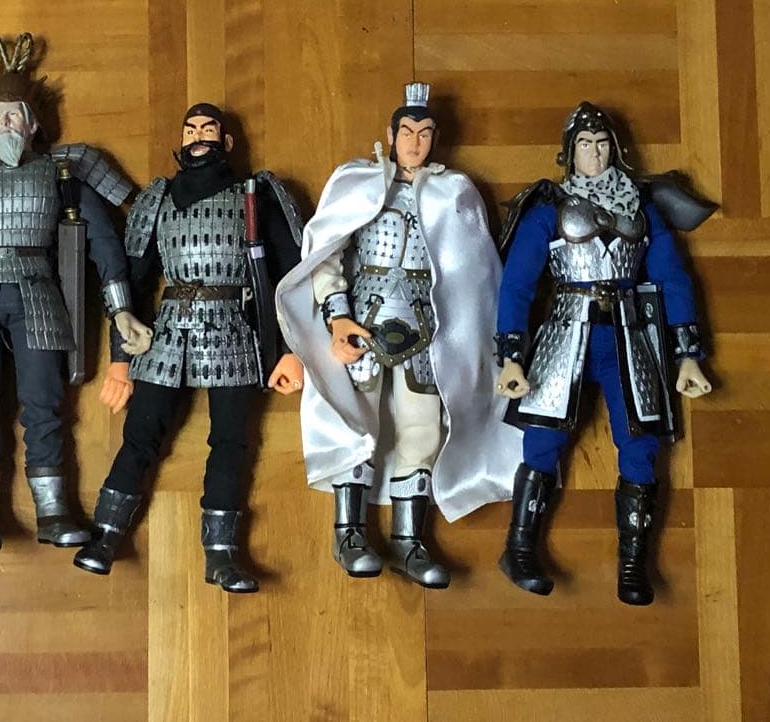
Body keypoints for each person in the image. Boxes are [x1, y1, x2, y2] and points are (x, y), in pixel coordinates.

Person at [276, 83, 521, 588]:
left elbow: (477, 274)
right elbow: (326, 254)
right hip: (361, 323)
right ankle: (349, 534)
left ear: (435, 139)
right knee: (353, 423)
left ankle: (410, 541)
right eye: (407, 131)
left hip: (426, 329)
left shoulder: (455, 192)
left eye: (424, 133)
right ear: (390, 135)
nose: (414, 142)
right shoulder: (357, 182)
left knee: (423, 431)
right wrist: (337, 317)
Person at [0, 34, 151, 554]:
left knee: (45, 405)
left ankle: (53, 510)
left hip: (40, 297)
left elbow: (103, 242)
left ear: (33, 123)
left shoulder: (62, 171)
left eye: (14, 114)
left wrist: (121, 311)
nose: (5, 123)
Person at [73, 103, 303, 594]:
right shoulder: (157, 198)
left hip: (235, 331)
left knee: (232, 442)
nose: (198, 136)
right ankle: (106, 534)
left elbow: (287, 275)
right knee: (141, 434)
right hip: (168, 329)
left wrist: (288, 348)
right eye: (190, 129)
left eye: (208, 129)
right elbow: (132, 283)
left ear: (227, 141)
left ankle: (221, 553)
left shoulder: (257, 194)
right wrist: (120, 360)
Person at [494, 101, 714, 605]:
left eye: (601, 144)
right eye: (584, 145)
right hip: (565, 332)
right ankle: (518, 549)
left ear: (615, 149)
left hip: (629, 337)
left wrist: (687, 353)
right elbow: (518, 284)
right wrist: (510, 354)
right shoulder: (549, 208)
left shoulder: (641, 209)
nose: (594, 154)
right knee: (543, 439)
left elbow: (672, 277)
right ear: (568, 152)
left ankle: (633, 565)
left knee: (641, 444)